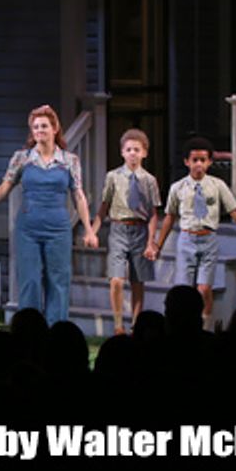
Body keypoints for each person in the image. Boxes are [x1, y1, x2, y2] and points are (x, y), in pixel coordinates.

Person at [0, 105, 97, 325]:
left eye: (44, 126)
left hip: (58, 229)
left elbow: (79, 196)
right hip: (29, 229)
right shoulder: (21, 158)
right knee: (30, 281)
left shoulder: (69, 160)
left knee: (58, 281)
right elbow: (4, 188)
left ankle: (56, 331)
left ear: (55, 129)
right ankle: (30, 332)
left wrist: (89, 230)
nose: (39, 130)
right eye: (35, 127)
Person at [154, 136, 236, 328]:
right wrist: (158, 244)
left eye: (203, 160)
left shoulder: (217, 186)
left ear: (209, 162)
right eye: (194, 160)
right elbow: (169, 216)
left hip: (208, 239)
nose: (198, 164)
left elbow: (233, 210)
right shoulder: (178, 187)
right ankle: (181, 326)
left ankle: (205, 325)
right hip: (187, 239)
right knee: (183, 288)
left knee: (204, 288)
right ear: (186, 162)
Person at [91, 128, 161, 335]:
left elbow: (153, 213)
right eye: (129, 149)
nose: (132, 153)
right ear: (122, 152)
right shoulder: (113, 177)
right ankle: (119, 324)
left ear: (144, 153)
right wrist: (93, 230)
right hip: (119, 229)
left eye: (137, 150)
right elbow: (104, 206)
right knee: (116, 279)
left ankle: (136, 325)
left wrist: (151, 241)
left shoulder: (149, 180)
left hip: (139, 229)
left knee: (138, 281)